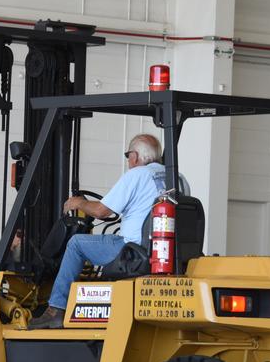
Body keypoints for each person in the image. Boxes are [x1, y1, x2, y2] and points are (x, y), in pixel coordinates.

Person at [30, 134, 189, 329]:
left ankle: (56, 309)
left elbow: (101, 211)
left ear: (136, 156)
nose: (129, 160)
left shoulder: (137, 175)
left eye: (128, 155)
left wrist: (79, 202)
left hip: (133, 251)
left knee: (76, 244)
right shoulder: (178, 178)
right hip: (166, 254)